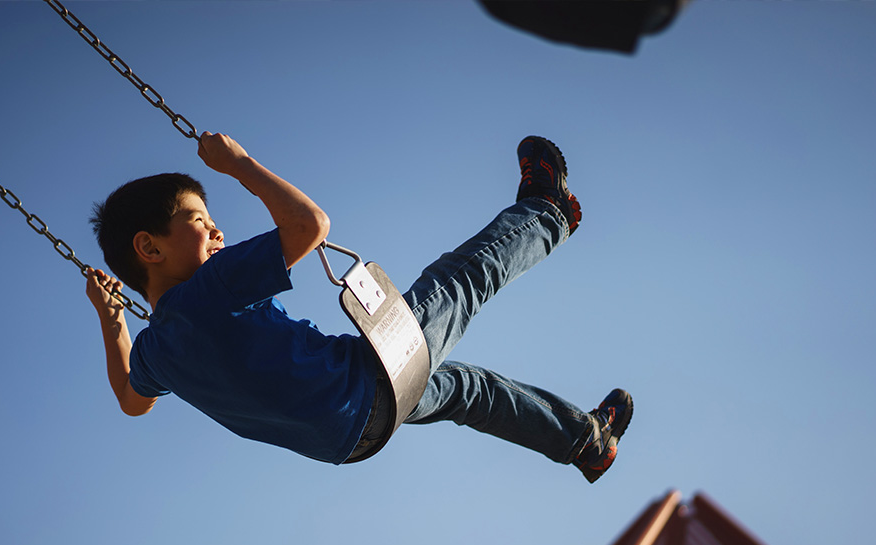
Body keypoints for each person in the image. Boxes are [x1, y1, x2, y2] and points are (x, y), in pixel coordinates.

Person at [86, 133, 632, 482]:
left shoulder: (156, 349)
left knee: (470, 391)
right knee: (458, 283)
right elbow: (309, 226)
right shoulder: (208, 290)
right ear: (149, 247)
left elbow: (132, 400)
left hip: (348, 438)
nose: (216, 228)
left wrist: (113, 323)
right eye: (198, 219)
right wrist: (240, 165)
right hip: (362, 385)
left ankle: (585, 441)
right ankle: (548, 213)